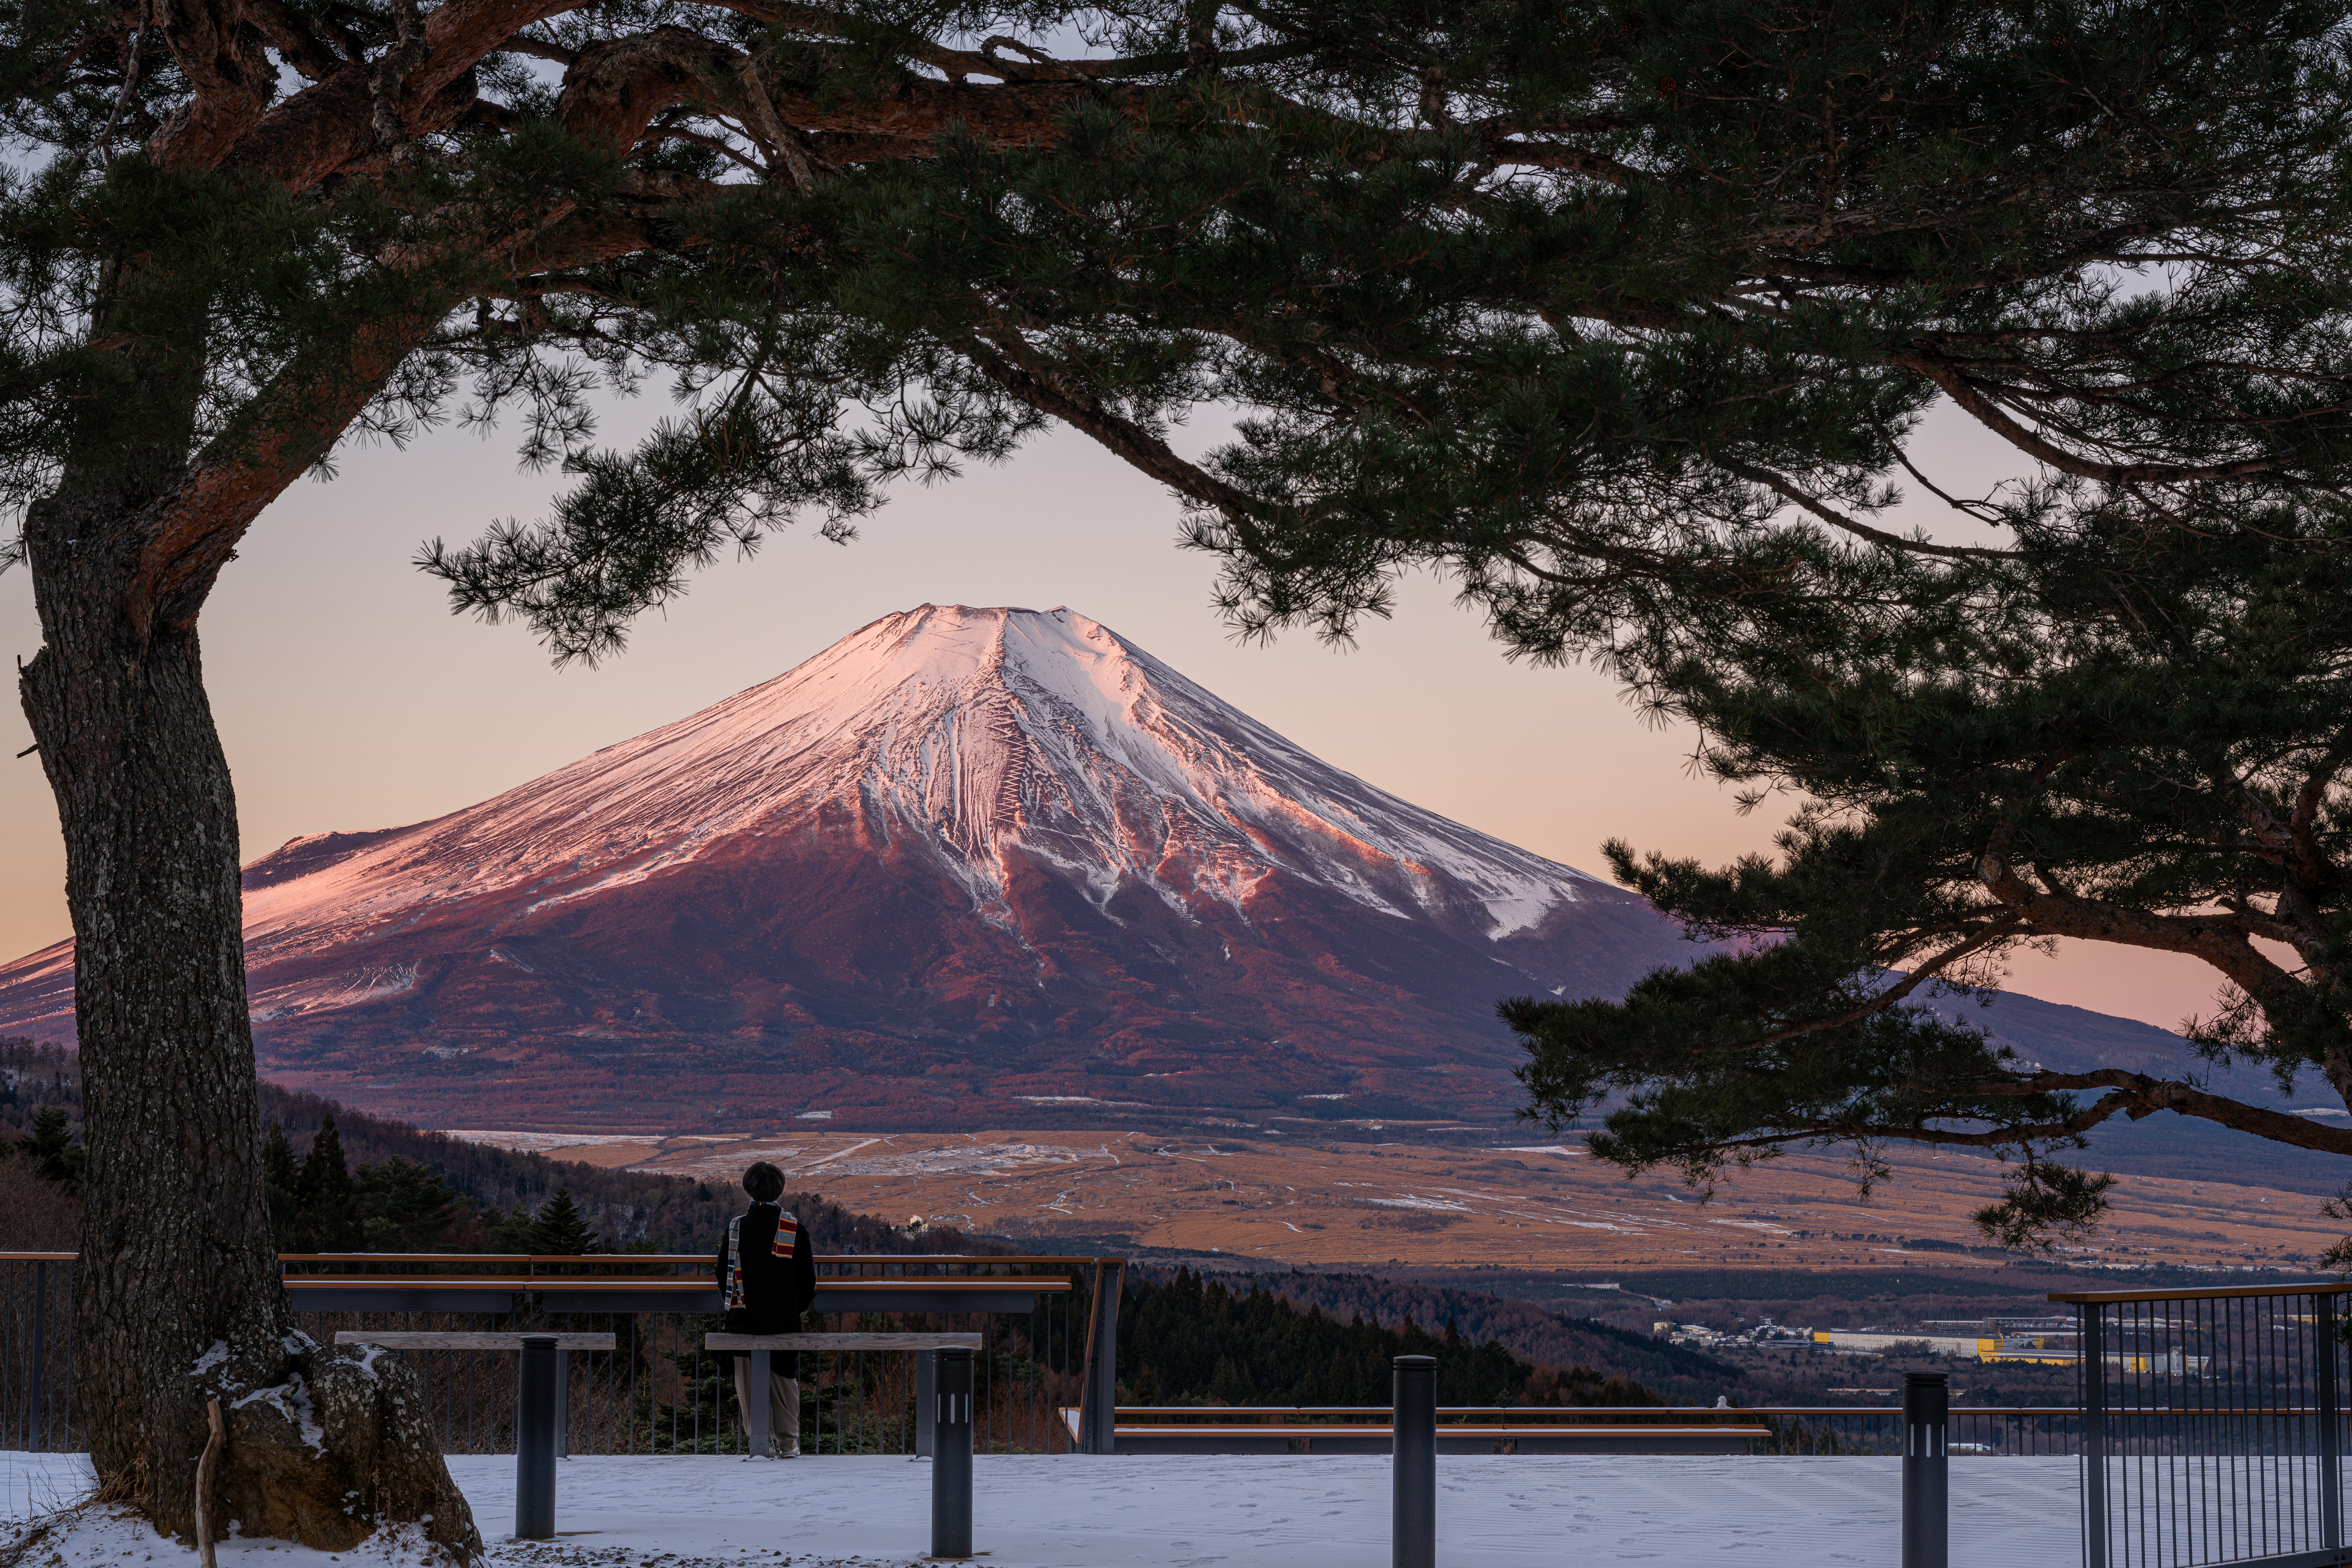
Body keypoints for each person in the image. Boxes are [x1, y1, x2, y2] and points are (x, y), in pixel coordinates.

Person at [714, 1160, 818, 1457]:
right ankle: (788, 1443)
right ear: (780, 1189)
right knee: (785, 1382)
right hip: (783, 1320)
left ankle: (762, 1442)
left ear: (748, 1189)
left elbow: (724, 1273)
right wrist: (789, 1309)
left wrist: (739, 1305)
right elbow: (807, 1282)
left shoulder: (737, 1228)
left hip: (744, 1320)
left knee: (747, 1385)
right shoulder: (794, 1228)